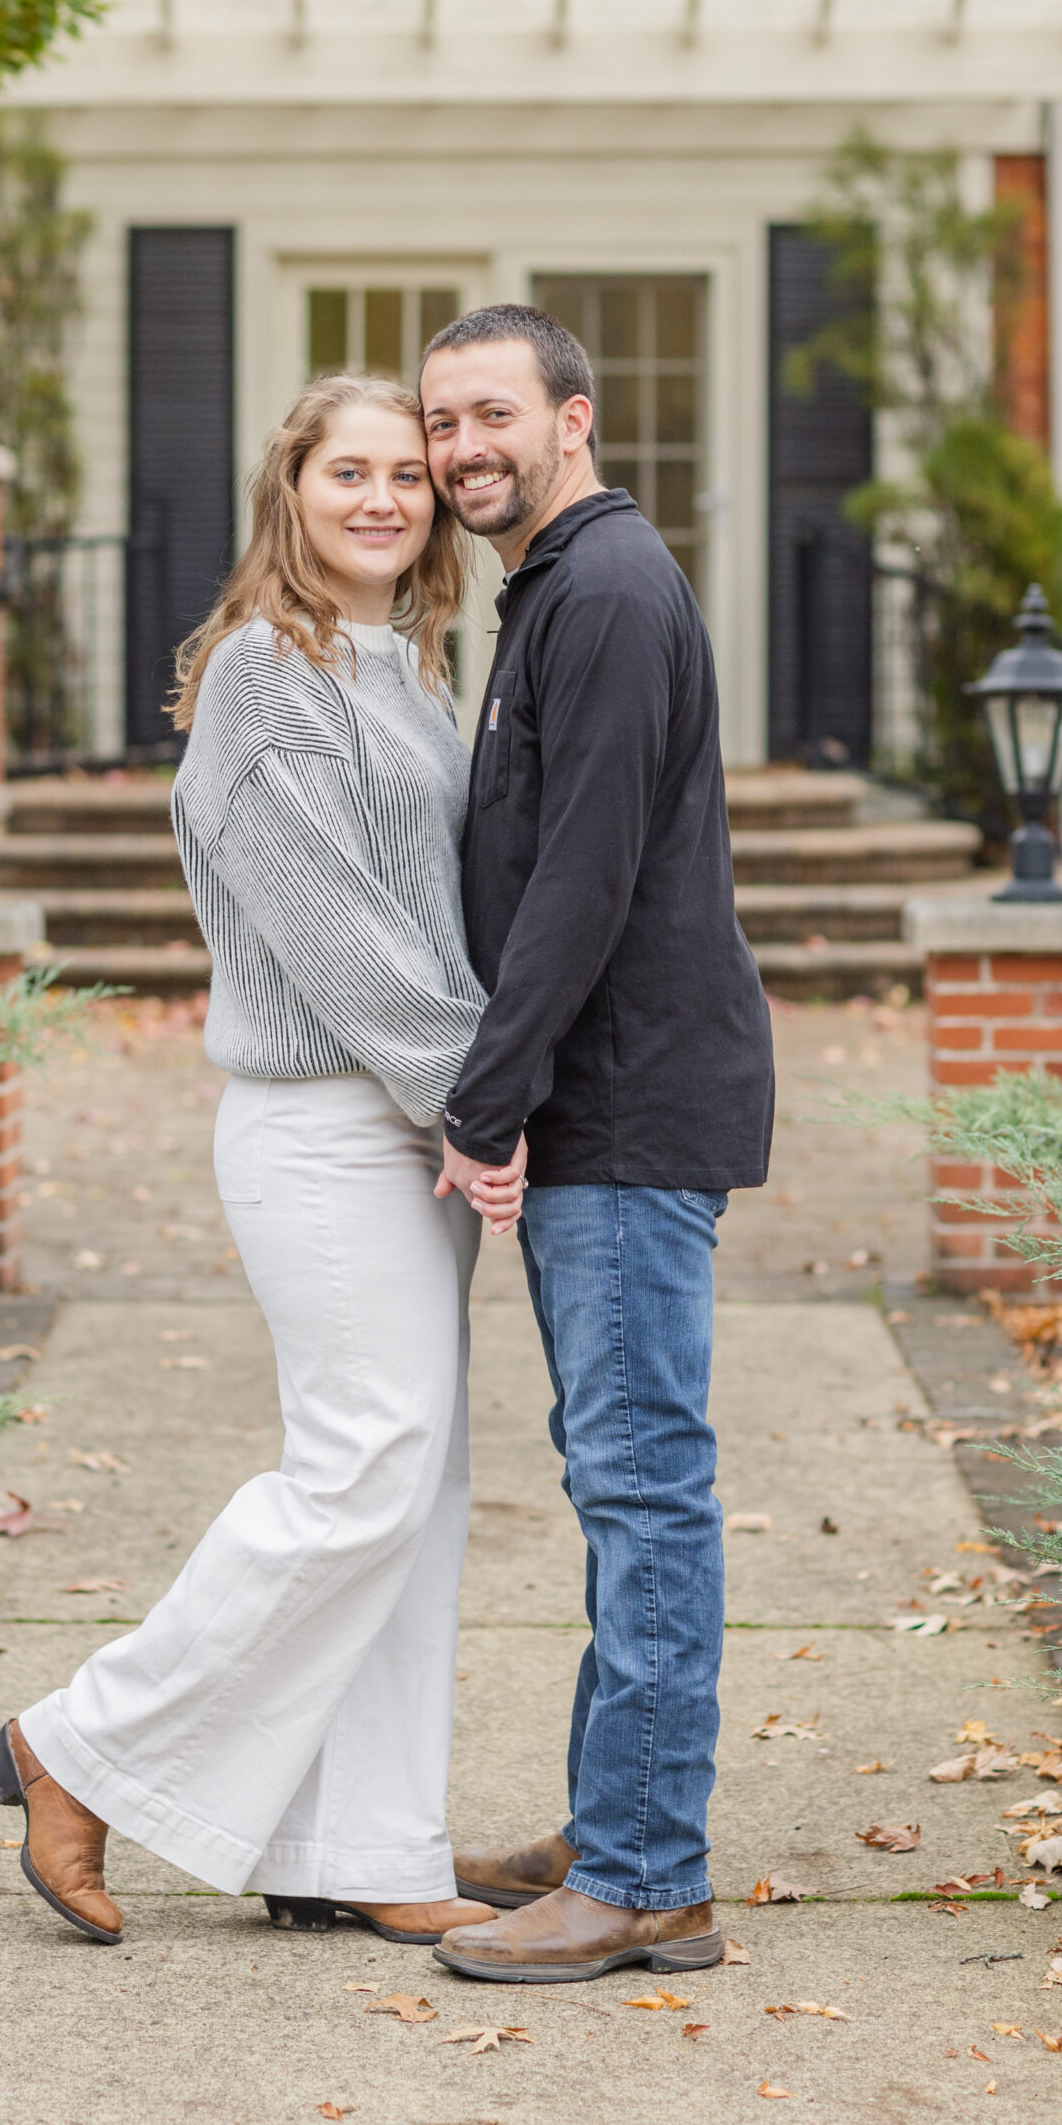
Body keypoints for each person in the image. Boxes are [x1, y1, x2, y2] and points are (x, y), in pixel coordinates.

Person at [0, 373, 526, 1947]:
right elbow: (344, 940)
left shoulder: (404, 668)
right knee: (359, 1472)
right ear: (286, 492)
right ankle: (74, 1747)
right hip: (325, 1125)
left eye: (403, 476)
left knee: (413, 1491)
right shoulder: (260, 677)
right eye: (342, 471)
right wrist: (477, 1104)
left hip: (408, 1121)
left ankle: (359, 1842)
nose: (381, 499)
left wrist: (469, 1096)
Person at [417, 304, 776, 1986]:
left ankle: (642, 1874)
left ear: (572, 418)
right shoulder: (563, 589)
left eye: (491, 414)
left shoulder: (609, 593)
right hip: (606, 1108)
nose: (459, 449)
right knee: (619, 1481)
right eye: (439, 426)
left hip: (623, 1112)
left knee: (641, 1490)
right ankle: (611, 1817)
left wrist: (483, 1099)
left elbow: (584, 873)